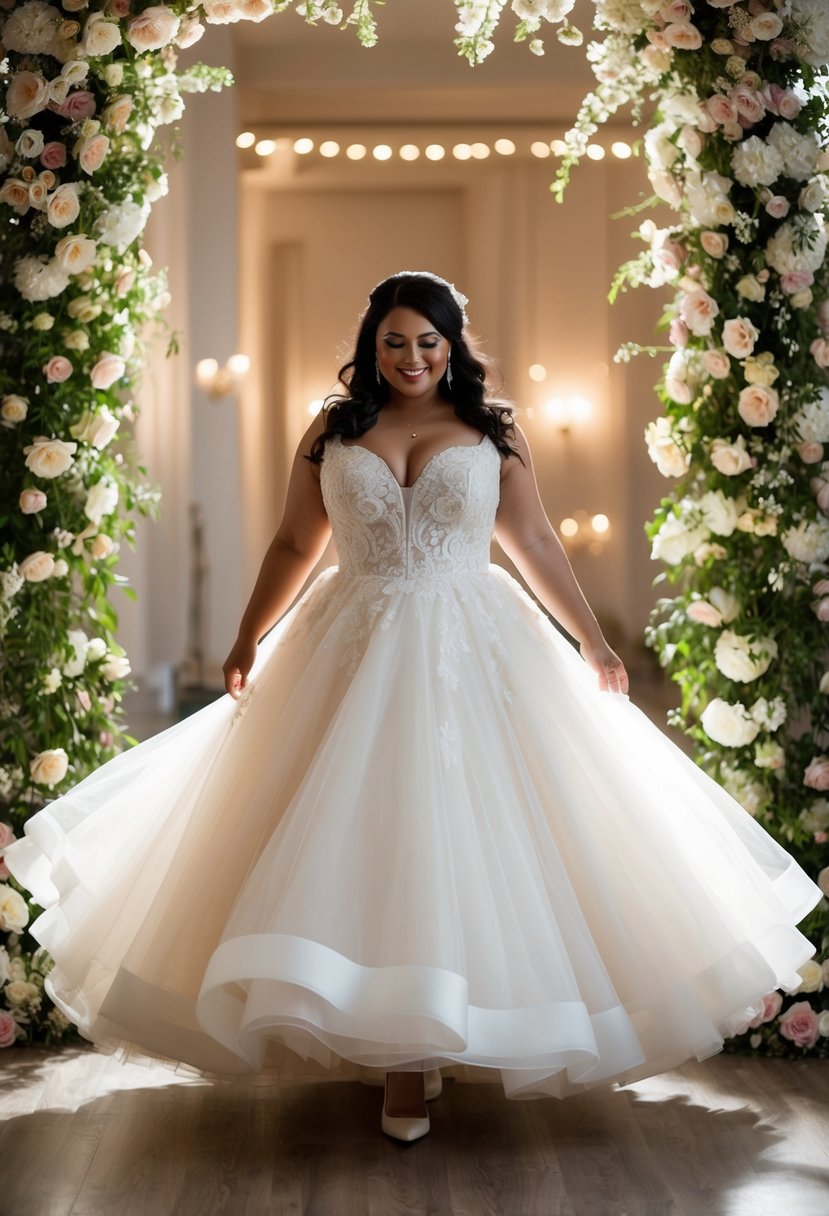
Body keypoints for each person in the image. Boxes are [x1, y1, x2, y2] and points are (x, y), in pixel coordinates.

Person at [3, 271, 823, 1145]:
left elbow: (534, 539)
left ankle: (428, 1045)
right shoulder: (333, 428)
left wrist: (592, 640)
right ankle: (398, 1057)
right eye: (394, 342)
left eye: (427, 341)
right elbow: (292, 540)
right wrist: (247, 636)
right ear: (371, 346)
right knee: (362, 835)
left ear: (452, 343)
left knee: (467, 839)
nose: (411, 358)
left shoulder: (491, 431)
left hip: (473, 645)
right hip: (346, 639)